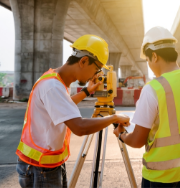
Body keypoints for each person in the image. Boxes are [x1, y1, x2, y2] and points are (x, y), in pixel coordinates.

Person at [16, 34, 130, 188]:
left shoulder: (56, 80)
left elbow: (63, 107)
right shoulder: (53, 86)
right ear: (83, 61)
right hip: (40, 168)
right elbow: (80, 127)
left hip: (47, 164)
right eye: (96, 69)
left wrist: (86, 91)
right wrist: (114, 118)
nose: (96, 75)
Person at [114, 26, 180, 188]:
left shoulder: (153, 88)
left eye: (147, 61)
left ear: (154, 56)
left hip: (160, 178)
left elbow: (138, 140)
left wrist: (121, 135)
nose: (149, 65)